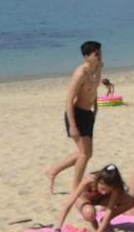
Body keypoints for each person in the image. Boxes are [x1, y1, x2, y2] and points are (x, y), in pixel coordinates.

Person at [44, 41, 103, 194]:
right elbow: (68, 100)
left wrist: (95, 108)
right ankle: (75, 188)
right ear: (86, 57)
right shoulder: (80, 73)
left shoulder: (99, 67)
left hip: (88, 113)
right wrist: (72, 125)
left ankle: (53, 170)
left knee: (86, 153)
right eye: (96, 54)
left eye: (100, 52)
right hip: (76, 114)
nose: (99, 56)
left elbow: (94, 88)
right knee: (85, 153)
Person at [51, 164, 134, 232]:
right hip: (84, 199)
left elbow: (109, 209)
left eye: (108, 190)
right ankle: (93, 222)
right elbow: (69, 203)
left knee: (131, 200)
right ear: (99, 181)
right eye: (103, 188)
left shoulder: (114, 187)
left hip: (101, 200)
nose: (105, 192)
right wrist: (58, 226)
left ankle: (103, 223)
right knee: (89, 213)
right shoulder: (89, 180)